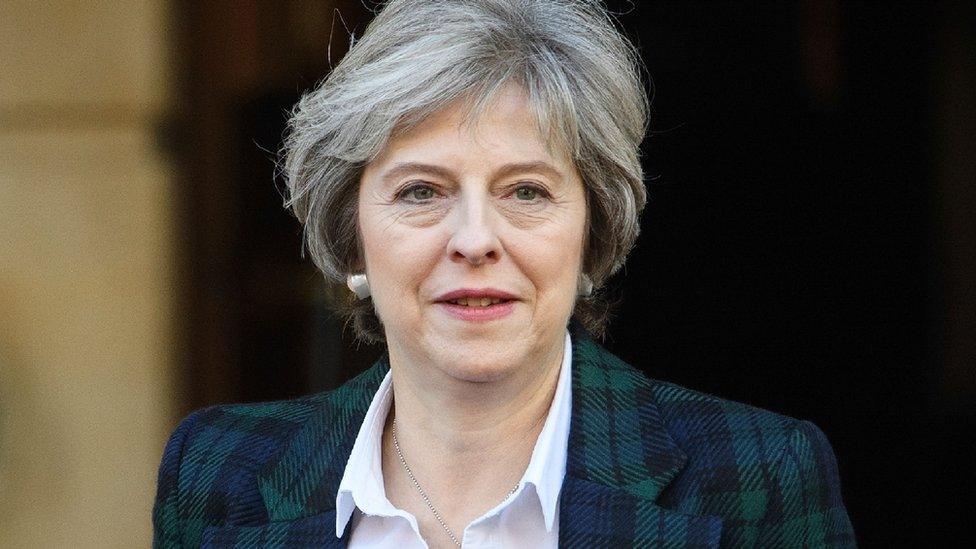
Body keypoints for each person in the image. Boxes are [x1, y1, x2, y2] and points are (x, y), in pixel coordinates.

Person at [152, 1, 855, 547]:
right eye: (422, 191)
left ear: (591, 230)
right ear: (353, 233)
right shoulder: (219, 472)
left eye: (526, 191)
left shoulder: (757, 476)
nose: (476, 239)